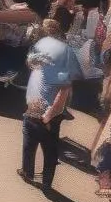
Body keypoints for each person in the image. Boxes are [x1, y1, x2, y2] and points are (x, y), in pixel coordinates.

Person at [21, 20, 81, 192]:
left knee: (46, 147)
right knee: (32, 143)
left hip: (46, 113)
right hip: (37, 109)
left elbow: (63, 92)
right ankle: (30, 173)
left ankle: (44, 180)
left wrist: (49, 114)